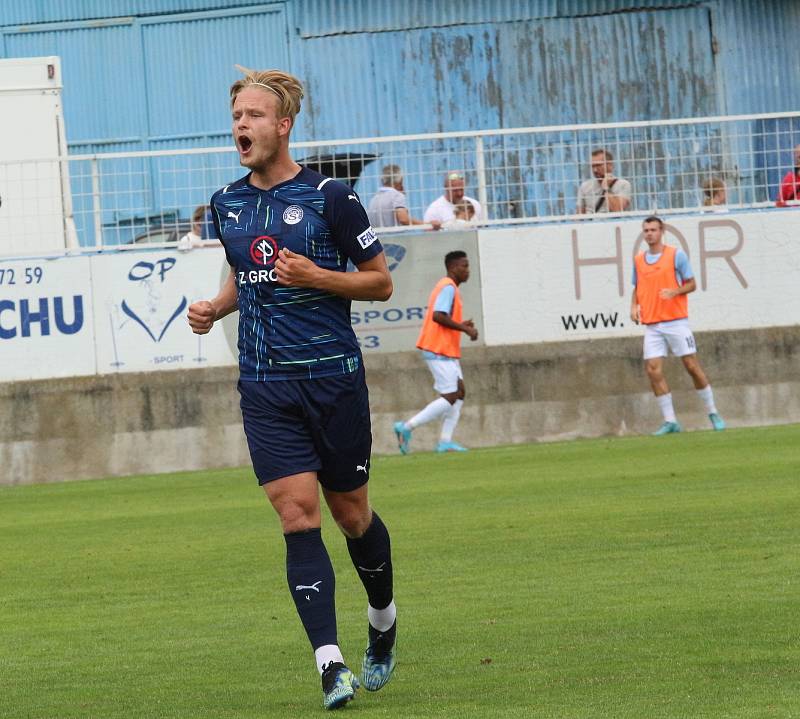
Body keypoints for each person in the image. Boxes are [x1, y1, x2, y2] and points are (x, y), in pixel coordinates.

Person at [186, 67, 397, 710]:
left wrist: (316, 276)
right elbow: (244, 272)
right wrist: (216, 308)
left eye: (253, 116)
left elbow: (380, 282)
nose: (240, 127)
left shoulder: (333, 198)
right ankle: (329, 663)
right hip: (264, 386)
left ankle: (383, 621)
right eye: (236, 117)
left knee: (351, 514)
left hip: (333, 381)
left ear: (284, 125)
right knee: (296, 513)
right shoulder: (227, 202)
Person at [630, 216, 725, 435]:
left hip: (676, 321)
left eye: (653, 230)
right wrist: (633, 306)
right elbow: (637, 287)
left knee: (691, 366)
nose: (649, 234)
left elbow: (691, 284)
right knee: (653, 370)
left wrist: (675, 291)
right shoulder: (638, 260)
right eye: (646, 230)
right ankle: (670, 420)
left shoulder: (676, 255)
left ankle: (713, 412)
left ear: (661, 231)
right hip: (652, 324)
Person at [393, 250, 478, 453]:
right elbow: (438, 316)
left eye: (468, 266)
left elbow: (443, 318)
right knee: (450, 395)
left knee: (459, 393)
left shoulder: (450, 288)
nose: (467, 270)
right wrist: (465, 329)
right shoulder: (447, 287)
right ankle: (406, 427)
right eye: (463, 266)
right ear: (452, 268)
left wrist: (460, 324)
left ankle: (445, 441)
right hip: (438, 349)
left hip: (445, 349)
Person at [367, 164, 440, 229]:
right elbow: (403, 219)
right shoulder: (397, 196)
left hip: (379, 241)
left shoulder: (374, 199)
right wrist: (427, 224)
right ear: (400, 180)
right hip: (395, 241)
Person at [577, 148, 632, 214]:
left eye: (598, 165)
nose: (595, 170)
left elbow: (618, 209)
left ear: (610, 165)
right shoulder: (585, 186)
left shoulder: (623, 184)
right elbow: (579, 215)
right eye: (593, 166)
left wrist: (606, 188)